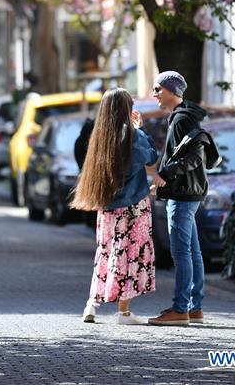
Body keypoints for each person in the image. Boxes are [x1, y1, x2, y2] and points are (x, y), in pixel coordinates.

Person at [71, 88, 159, 325]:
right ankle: (124, 313)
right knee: (131, 255)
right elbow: (151, 157)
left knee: (107, 253)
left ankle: (92, 304)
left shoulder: (100, 137)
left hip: (107, 207)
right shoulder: (132, 135)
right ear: (125, 109)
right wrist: (140, 129)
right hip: (133, 206)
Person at [147, 71, 208, 326]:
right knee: (193, 253)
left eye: (158, 89)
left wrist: (165, 175)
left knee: (182, 253)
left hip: (182, 194)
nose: (154, 94)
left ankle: (181, 309)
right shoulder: (183, 117)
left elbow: (193, 156)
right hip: (188, 192)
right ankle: (195, 307)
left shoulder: (182, 119)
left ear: (172, 91)